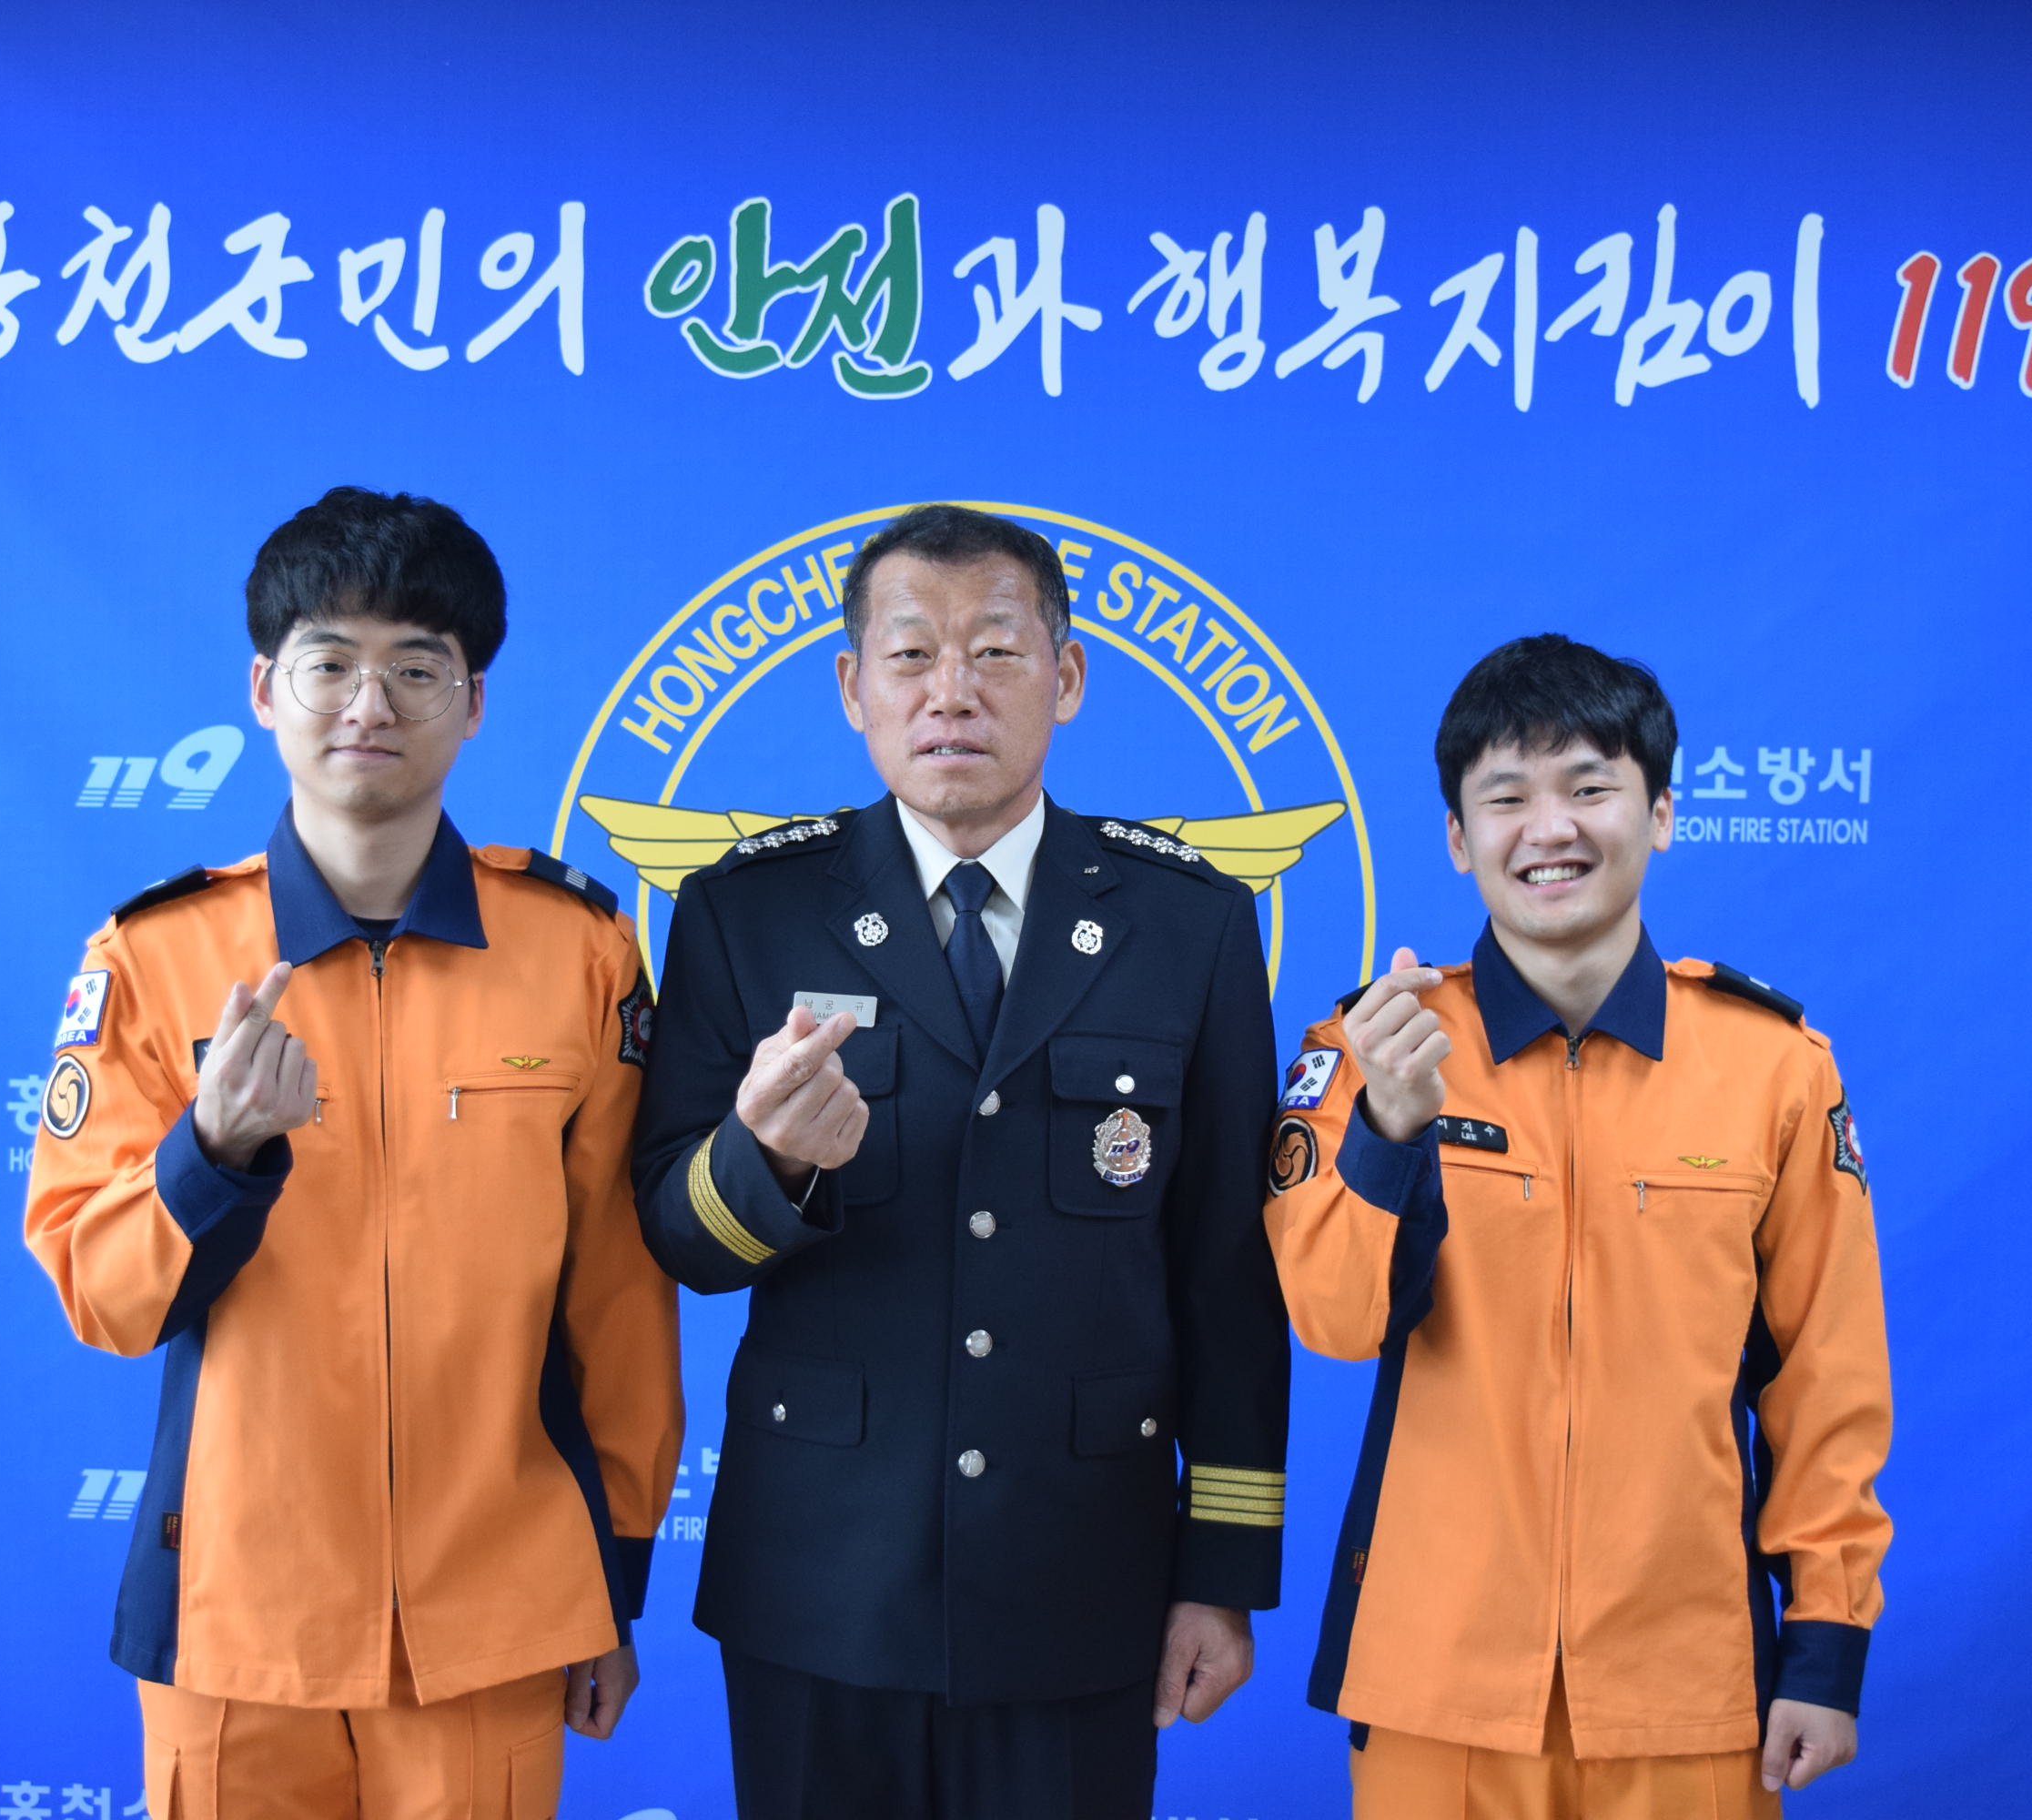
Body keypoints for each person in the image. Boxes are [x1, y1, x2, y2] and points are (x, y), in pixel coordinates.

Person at [23, 487, 682, 1820]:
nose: (369, 704)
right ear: (264, 689)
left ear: (473, 702)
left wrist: (610, 1578)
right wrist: (212, 1153)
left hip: (498, 1615)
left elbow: (619, 1292)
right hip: (236, 1618)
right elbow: (101, 1295)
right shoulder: (153, 957)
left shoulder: (578, 952)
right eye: (329, 662)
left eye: (416, 668)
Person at [632, 504, 1290, 1820]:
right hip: (819, 1579)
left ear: (1067, 676)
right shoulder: (745, 911)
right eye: (910, 655)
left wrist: (1220, 1568)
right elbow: (677, 1239)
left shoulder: (1191, 924)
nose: (952, 692)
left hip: (1082, 1572)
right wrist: (767, 1163)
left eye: (995, 651)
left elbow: (1226, 1268)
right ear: (852, 690)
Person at [1263, 634, 1892, 1819]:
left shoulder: (1775, 1067)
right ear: (1459, 839)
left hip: (1690, 1688)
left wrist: (1825, 1644)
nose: (1548, 828)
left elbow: (1827, 1378)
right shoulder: (1369, 1047)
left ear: (1661, 814)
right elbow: (1335, 1321)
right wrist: (1390, 1130)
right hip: (1435, 1684)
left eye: (1589, 787)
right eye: (1506, 797)